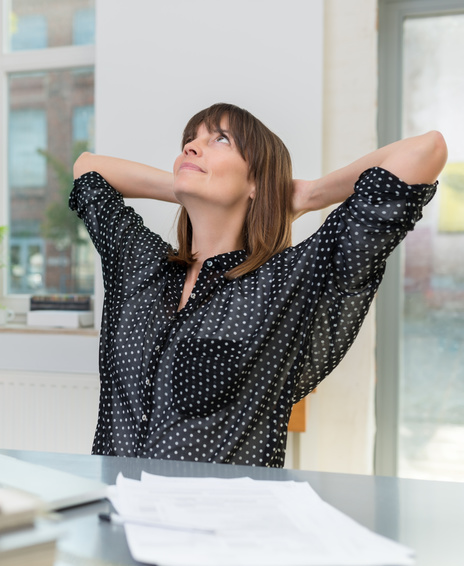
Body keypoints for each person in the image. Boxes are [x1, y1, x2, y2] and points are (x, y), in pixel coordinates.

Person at [70, 102, 447, 467]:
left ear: (256, 182)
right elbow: (88, 170)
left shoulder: (287, 284)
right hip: (116, 514)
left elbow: (424, 151)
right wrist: (187, 183)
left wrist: (310, 194)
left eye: (220, 140)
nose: (191, 146)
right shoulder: (141, 267)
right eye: (190, 139)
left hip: (223, 523)